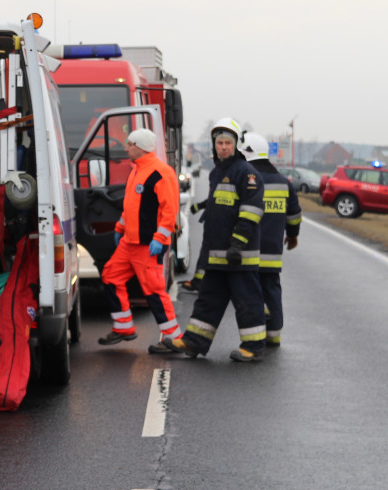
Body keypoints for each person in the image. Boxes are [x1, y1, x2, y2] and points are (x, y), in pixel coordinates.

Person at [181, 118, 268, 362]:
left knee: (247, 300)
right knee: (208, 298)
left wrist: (237, 243)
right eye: (219, 143)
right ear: (214, 145)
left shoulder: (246, 173)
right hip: (217, 253)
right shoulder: (219, 172)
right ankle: (194, 341)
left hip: (238, 254)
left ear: (236, 145)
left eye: (228, 143)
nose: (223, 147)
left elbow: (251, 211)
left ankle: (254, 346)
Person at [97, 128, 187, 354]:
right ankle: (124, 327)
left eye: (129, 144)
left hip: (149, 244)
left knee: (154, 290)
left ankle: (174, 338)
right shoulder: (137, 170)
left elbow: (170, 210)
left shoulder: (161, 173)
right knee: (110, 276)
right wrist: (120, 226)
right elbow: (131, 205)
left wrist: (160, 237)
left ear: (140, 146)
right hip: (130, 242)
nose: (126, 147)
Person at [239, 132, 302, 348]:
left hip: (248, 252)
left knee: (249, 293)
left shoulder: (247, 180)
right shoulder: (284, 182)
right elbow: (294, 214)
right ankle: (274, 335)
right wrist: (293, 236)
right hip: (273, 253)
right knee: (272, 291)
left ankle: (254, 337)